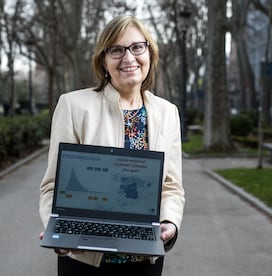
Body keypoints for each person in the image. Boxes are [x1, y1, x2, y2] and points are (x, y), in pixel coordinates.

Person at [39, 15, 185, 275]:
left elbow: (171, 186)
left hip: (144, 260)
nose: (128, 58)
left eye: (137, 47)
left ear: (149, 53)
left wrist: (169, 222)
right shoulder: (73, 106)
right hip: (83, 259)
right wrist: (59, 229)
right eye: (116, 50)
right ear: (103, 61)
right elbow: (53, 186)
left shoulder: (167, 112)